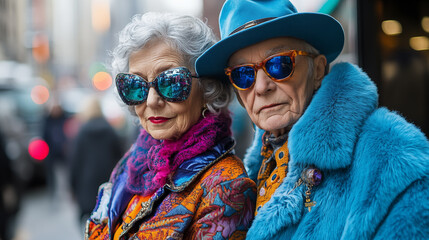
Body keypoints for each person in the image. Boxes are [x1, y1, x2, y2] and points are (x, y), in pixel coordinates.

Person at [195, 0, 429, 239]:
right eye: (243, 74)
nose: (262, 86)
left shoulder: (394, 157)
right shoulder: (244, 174)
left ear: (317, 70)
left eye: (279, 64)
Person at [85, 12, 256, 240]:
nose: (152, 101)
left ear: (207, 88)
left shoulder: (228, 185)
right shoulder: (135, 159)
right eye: (136, 85)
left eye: (171, 82)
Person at [69, 95, 123, 227]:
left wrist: (73, 188)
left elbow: (75, 163)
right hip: (108, 187)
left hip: (86, 189)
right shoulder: (110, 131)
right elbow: (121, 159)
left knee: (89, 228)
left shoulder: (81, 133)